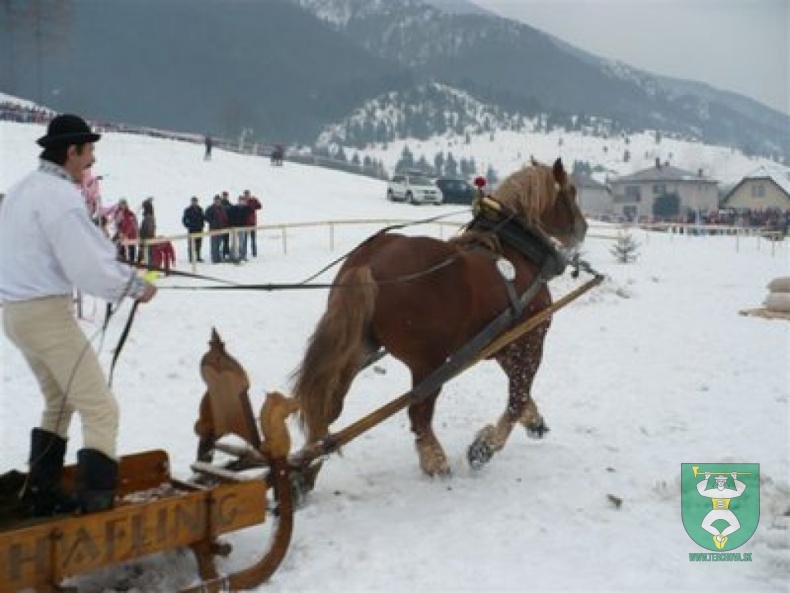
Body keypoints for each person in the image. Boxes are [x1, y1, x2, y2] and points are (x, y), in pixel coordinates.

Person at [0, 113, 157, 516]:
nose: (92, 162)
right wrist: (134, 286)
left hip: (15, 314)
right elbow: (87, 265)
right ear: (72, 151)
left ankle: (42, 491)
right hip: (45, 314)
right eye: (89, 153)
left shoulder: (21, 190)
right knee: (101, 407)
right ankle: (94, 509)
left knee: (59, 400)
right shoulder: (60, 197)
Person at [204, 194, 229, 263]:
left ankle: (219, 258)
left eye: (219, 200)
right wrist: (212, 221)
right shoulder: (210, 208)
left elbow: (225, 217)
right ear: (214, 201)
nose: (217, 202)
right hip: (213, 229)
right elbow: (206, 217)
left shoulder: (222, 208)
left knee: (219, 244)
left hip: (221, 228)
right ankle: (214, 259)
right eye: (216, 200)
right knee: (214, 244)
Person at [113, 198, 139, 262]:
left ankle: (131, 264)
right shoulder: (119, 213)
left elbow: (135, 224)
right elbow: (117, 224)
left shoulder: (130, 214)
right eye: (122, 204)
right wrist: (120, 233)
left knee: (132, 251)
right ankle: (122, 263)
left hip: (131, 235)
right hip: (123, 235)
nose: (123, 205)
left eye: (124, 204)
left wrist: (137, 233)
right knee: (121, 250)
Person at [182, 196, 205, 263]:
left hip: (199, 229)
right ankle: (191, 258)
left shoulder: (200, 209)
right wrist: (188, 226)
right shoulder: (188, 210)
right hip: (192, 230)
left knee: (199, 244)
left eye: (195, 201)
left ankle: (198, 257)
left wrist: (202, 224)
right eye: (193, 201)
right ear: (191, 202)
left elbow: (202, 217)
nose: (194, 202)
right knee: (191, 244)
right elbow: (184, 220)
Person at [242, 189, 262, 257]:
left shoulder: (253, 200)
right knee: (244, 239)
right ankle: (244, 253)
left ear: (249, 194)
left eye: (247, 194)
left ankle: (254, 253)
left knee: (253, 239)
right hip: (245, 223)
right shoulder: (242, 201)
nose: (246, 195)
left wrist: (256, 201)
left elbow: (259, 206)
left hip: (252, 223)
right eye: (245, 194)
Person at [138, 196, 156, 265]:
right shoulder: (150, 217)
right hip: (148, 239)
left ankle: (149, 270)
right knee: (148, 255)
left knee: (147, 256)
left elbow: (147, 230)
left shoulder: (148, 218)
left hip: (146, 239)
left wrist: (141, 236)